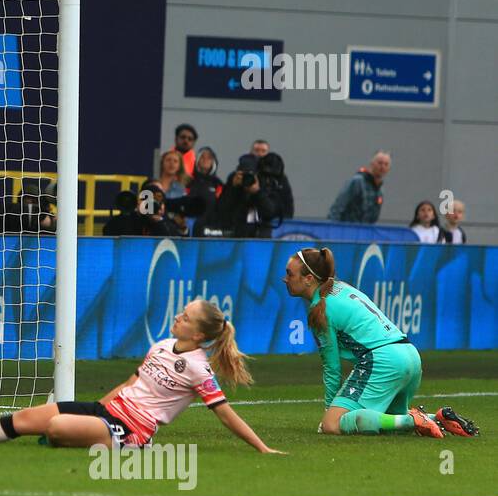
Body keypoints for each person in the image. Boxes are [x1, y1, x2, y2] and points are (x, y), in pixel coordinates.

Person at [0, 299, 283, 454]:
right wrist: (96, 408)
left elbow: (224, 412)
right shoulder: (162, 345)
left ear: (199, 335)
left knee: (56, 428)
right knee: (25, 420)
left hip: (133, 432)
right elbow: (130, 384)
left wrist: (262, 447)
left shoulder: (200, 369)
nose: (178, 318)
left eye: (185, 318)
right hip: (108, 413)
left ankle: (76, 438)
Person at [280, 247, 478, 438]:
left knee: (334, 424)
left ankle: (414, 420)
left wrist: (330, 414)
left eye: (289, 274)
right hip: (410, 355)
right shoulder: (342, 288)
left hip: (383, 360)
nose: (285, 279)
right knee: (389, 421)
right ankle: (438, 419)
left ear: (308, 279)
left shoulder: (318, 308)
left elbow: (331, 367)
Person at [201, 162, 277, 238]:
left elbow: (270, 212)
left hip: (258, 239)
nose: (246, 179)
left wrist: (257, 192)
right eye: (243, 176)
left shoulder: (262, 187)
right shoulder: (233, 185)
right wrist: (233, 188)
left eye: (250, 176)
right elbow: (221, 212)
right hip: (235, 237)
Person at [328, 151, 390, 223]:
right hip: (349, 229)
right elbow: (337, 207)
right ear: (372, 164)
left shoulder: (380, 190)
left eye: (386, 164)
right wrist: (333, 229)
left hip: (365, 231)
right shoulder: (358, 182)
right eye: (380, 163)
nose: (382, 167)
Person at [101, 182, 182, 237]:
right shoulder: (125, 220)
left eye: (155, 203)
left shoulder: (169, 225)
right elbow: (109, 233)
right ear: (138, 202)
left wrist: (158, 222)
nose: (150, 206)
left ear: (163, 207)